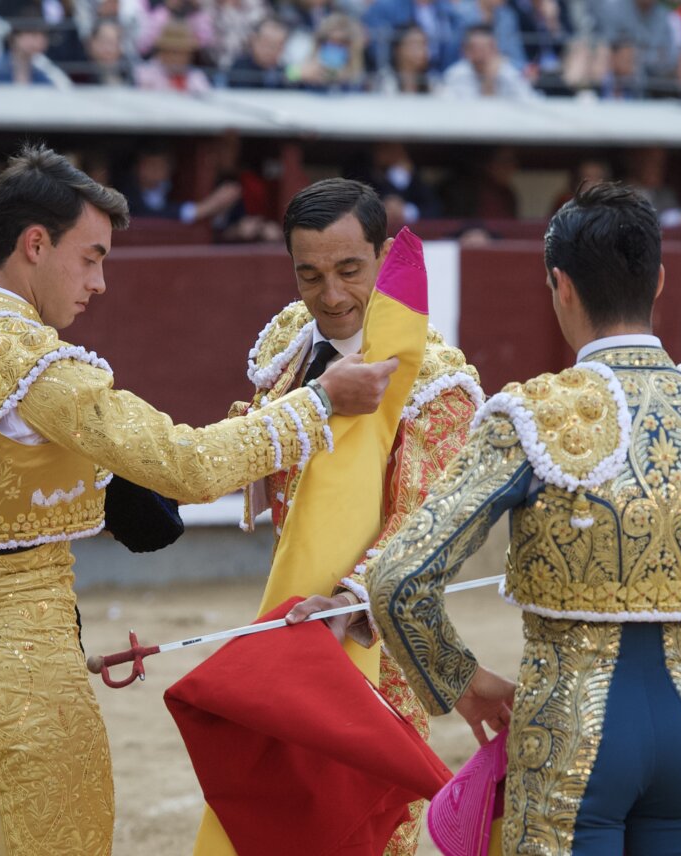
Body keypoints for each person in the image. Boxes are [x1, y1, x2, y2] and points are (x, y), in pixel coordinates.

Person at [0, 144, 397, 856]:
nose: (99, 283)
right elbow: (186, 466)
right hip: (23, 670)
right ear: (36, 244)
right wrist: (317, 404)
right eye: (90, 257)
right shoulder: (35, 365)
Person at [367, 181, 681, 854]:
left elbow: (398, 581)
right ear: (660, 280)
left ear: (561, 285)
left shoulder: (536, 416)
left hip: (568, 732)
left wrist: (466, 683)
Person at [211, 177, 484, 856]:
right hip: (291, 610)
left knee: (370, 823)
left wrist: (347, 602)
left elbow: (421, 529)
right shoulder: (290, 342)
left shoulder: (438, 382)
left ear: (384, 254)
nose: (331, 296)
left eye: (349, 271)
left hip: (378, 634)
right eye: (311, 275)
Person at [442, 24, 538, 98]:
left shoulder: (507, 72)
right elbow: (471, 114)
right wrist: (489, 81)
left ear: (495, 49)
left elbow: (528, 99)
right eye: (476, 49)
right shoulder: (456, 75)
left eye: (487, 48)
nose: (482, 54)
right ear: (465, 51)